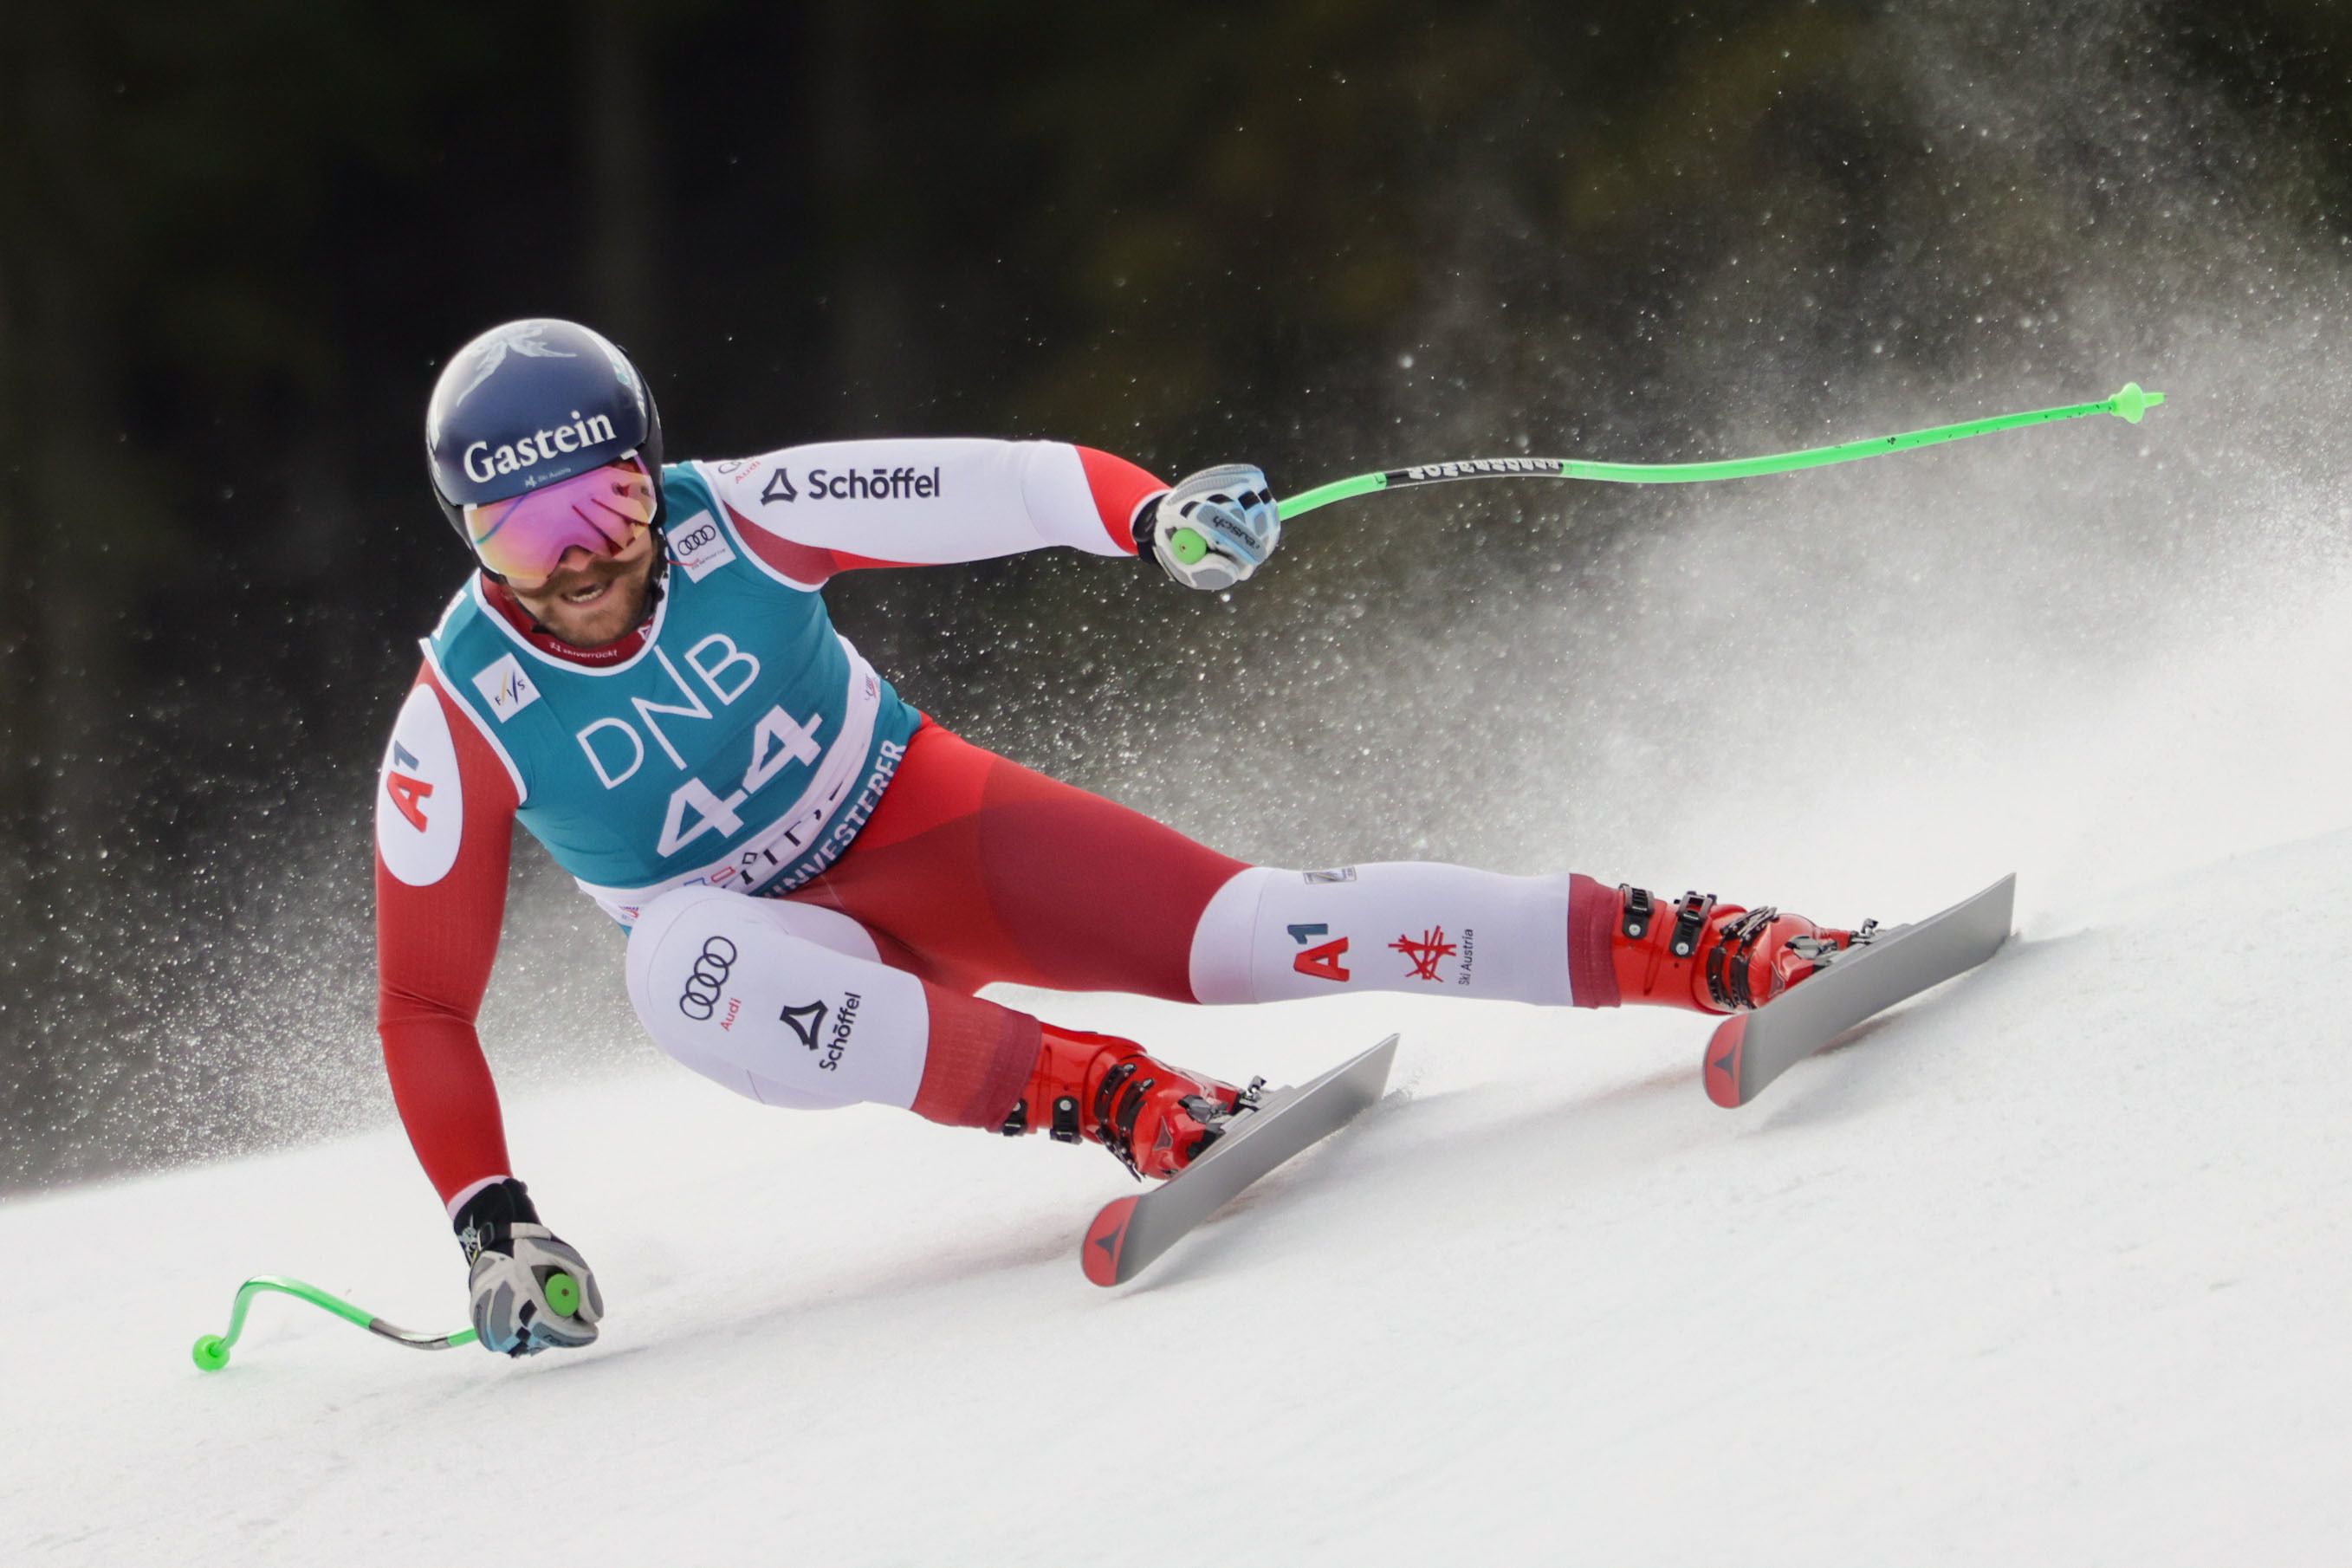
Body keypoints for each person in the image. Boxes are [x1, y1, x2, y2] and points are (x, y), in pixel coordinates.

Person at [379, 318, 1863, 1357]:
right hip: (777, 966)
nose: (583, 555)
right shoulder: (461, 718)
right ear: (472, 544)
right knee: (679, 962)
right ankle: (1133, 1104)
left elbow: (1010, 482)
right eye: (526, 533)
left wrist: (1154, 521)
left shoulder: (746, 515)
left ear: (655, 472)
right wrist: (491, 1225)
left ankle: (1711, 945)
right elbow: (424, 1002)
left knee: (1262, 930)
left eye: (608, 498)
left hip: (920, 818)